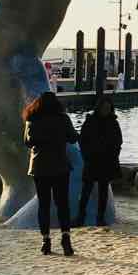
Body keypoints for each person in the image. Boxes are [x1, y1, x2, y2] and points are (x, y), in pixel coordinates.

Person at [22, 91, 78, 256]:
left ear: (38, 104)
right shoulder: (63, 119)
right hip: (60, 166)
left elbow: (27, 142)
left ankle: (46, 241)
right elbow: (73, 138)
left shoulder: (32, 120)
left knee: (44, 205)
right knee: (62, 204)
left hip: (39, 167)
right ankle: (65, 238)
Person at [76, 97, 121, 228]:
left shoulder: (113, 123)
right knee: (86, 190)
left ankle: (100, 218)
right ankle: (81, 216)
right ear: (99, 108)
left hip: (107, 161)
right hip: (92, 160)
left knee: (103, 191)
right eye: (104, 108)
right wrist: (86, 156)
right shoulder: (90, 121)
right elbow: (82, 140)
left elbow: (118, 141)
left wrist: (114, 155)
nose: (106, 111)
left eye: (108, 108)